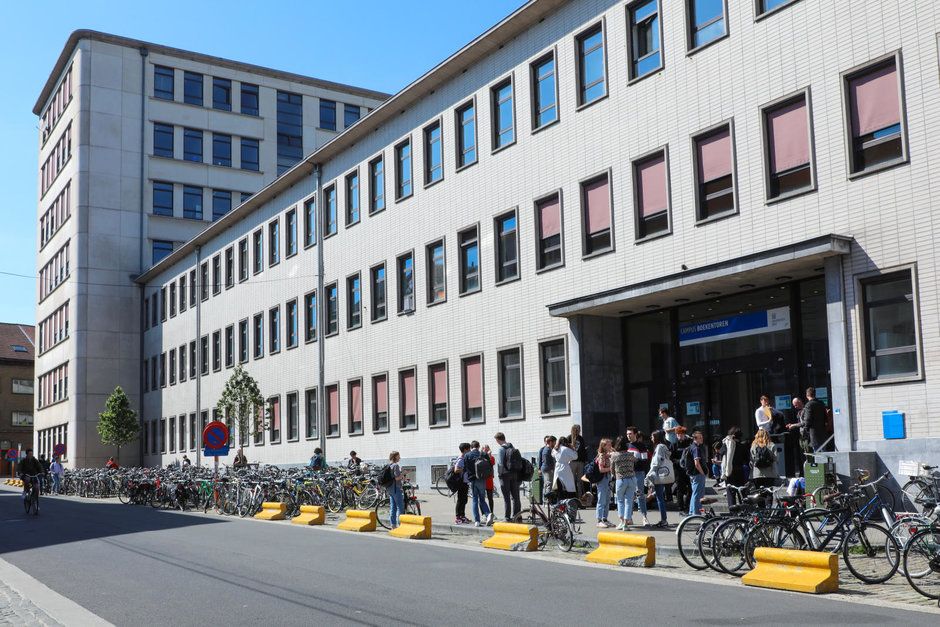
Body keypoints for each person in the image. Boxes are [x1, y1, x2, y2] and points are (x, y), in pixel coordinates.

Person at [455, 441, 493, 527]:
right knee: (482, 499)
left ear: (471, 447)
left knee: (475, 500)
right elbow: (490, 466)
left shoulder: (467, 455)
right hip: (482, 479)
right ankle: (488, 514)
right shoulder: (483, 454)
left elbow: (465, 468)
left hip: (472, 480)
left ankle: (477, 521)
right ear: (479, 446)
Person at [609, 436, 636, 529]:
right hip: (632, 479)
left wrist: (615, 474)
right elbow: (634, 464)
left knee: (620, 501)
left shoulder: (614, 455)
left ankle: (621, 521)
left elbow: (612, 469)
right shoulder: (630, 454)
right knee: (629, 501)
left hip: (621, 479)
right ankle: (626, 523)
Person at [626, 427, 650, 527]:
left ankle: (644, 517)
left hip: (639, 473)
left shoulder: (641, 446)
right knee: (629, 495)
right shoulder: (626, 446)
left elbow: (645, 461)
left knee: (640, 494)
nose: (628, 436)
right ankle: (629, 517)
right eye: (627, 434)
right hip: (628, 474)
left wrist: (634, 460)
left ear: (635, 434)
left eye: (630, 434)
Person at [494, 433, 521, 522]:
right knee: (516, 496)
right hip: (514, 474)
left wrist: (499, 475)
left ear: (498, 440)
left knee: (507, 497)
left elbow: (500, 463)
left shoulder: (501, 449)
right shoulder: (512, 447)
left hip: (505, 475)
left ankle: (507, 517)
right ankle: (517, 515)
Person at [719, 427, 748, 507]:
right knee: (742, 492)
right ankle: (744, 510)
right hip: (739, 472)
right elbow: (746, 459)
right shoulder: (742, 446)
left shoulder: (726, 445)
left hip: (729, 472)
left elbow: (721, 453)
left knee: (731, 493)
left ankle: (733, 511)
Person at [648, 430, 671, 528]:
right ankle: (663, 519)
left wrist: (650, 473)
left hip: (658, 474)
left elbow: (657, 462)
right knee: (659, 496)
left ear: (657, 437)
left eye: (652, 436)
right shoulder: (663, 446)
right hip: (662, 474)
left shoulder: (659, 447)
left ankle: (664, 520)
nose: (651, 438)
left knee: (659, 498)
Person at [671, 427, 692, 511]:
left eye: (682, 434)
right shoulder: (674, 445)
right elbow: (671, 458)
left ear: (684, 434)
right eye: (678, 434)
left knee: (690, 488)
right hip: (678, 470)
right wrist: (679, 461)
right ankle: (681, 507)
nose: (680, 436)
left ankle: (687, 505)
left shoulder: (689, 443)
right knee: (680, 488)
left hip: (688, 470)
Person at [593, 438, 613, 528]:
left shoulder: (607, 455)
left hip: (607, 479)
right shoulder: (601, 456)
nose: (610, 446)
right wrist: (610, 469)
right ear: (603, 446)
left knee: (607, 500)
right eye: (608, 445)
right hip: (602, 480)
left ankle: (605, 519)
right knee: (601, 500)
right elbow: (601, 469)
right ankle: (599, 520)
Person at [802, 387, 828, 452]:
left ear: (807, 395)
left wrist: (806, 429)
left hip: (814, 434)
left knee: (816, 453)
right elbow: (825, 417)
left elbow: (808, 419)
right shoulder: (821, 403)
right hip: (822, 432)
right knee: (824, 452)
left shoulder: (808, 405)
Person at [688, 430, 707, 516]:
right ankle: (697, 513)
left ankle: (692, 512)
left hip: (693, 474)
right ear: (695, 439)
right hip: (697, 474)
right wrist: (702, 473)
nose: (702, 439)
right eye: (700, 438)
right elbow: (697, 464)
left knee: (695, 493)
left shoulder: (691, 447)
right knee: (698, 494)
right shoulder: (696, 448)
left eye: (702, 437)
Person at [453, 443, 471, 525]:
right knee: (460, 500)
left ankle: (462, 516)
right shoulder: (461, 459)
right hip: (461, 482)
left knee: (464, 500)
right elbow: (456, 470)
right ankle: (458, 517)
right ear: (465, 450)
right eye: (469, 449)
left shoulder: (464, 458)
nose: (470, 450)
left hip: (465, 482)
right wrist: (464, 469)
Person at [387, 451, 404, 528]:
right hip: (396, 488)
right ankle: (400, 525)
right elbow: (397, 478)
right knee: (400, 507)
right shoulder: (396, 466)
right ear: (395, 457)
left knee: (393, 507)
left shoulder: (389, 465)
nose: (399, 457)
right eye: (398, 456)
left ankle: (393, 525)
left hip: (390, 488)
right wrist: (403, 474)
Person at [569, 425, 587, 497]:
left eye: (579, 429)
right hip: (572, 461)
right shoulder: (569, 437)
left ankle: (580, 496)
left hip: (580, 461)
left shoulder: (581, 438)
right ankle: (572, 496)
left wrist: (585, 460)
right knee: (572, 479)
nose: (578, 431)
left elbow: (583, 450)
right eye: (577, 429)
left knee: (580, 480)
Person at [481, 445, 496, 515]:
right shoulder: (480, 458)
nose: (486, 451)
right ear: (482, 450)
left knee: (490, 498)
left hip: (489, 480)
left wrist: (489, 456)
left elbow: (492, 463)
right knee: (482, 498)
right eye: (485, 450)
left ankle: (491, 513)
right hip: (482, 480)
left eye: (487, 450)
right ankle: (483, 514)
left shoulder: (491, 457)